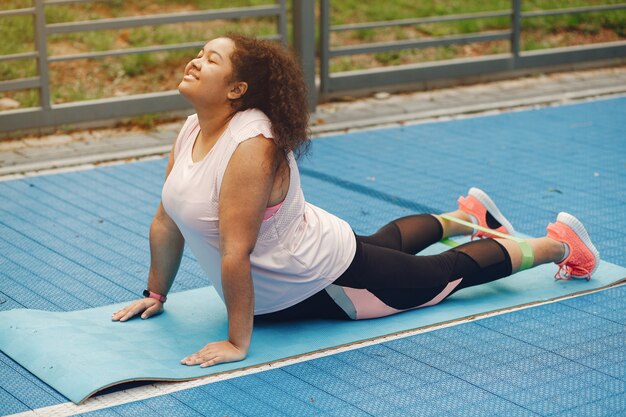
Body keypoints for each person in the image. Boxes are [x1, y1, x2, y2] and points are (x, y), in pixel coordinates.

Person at [111, 34, 600, 368]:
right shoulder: (194, 127)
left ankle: (561, 246)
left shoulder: (250, 148)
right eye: (200, 53)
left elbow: (235, 251)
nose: (195, 61)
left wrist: (239, 342)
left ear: (237, 90)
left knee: (443, 276)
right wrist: (157, 294)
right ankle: (466, 215)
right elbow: (166, 221)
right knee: (386, 242)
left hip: (317, 279)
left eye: (211, 59)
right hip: (310, 250)